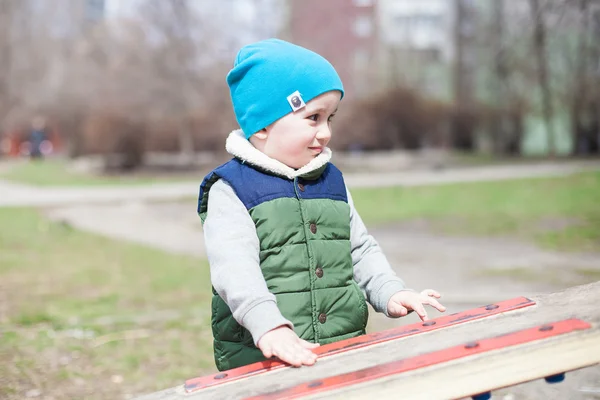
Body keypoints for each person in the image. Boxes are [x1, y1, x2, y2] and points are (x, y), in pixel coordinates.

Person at [197, 39, 446, 372]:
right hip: (265, 356)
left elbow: (358, 248)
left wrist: (389, 290)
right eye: (313, 117)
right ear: (263, 125)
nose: (326, 132)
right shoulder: (232, 190)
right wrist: (268, 325)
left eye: (331, 118)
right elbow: (234, 270)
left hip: (340, 345)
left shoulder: (331, 181)